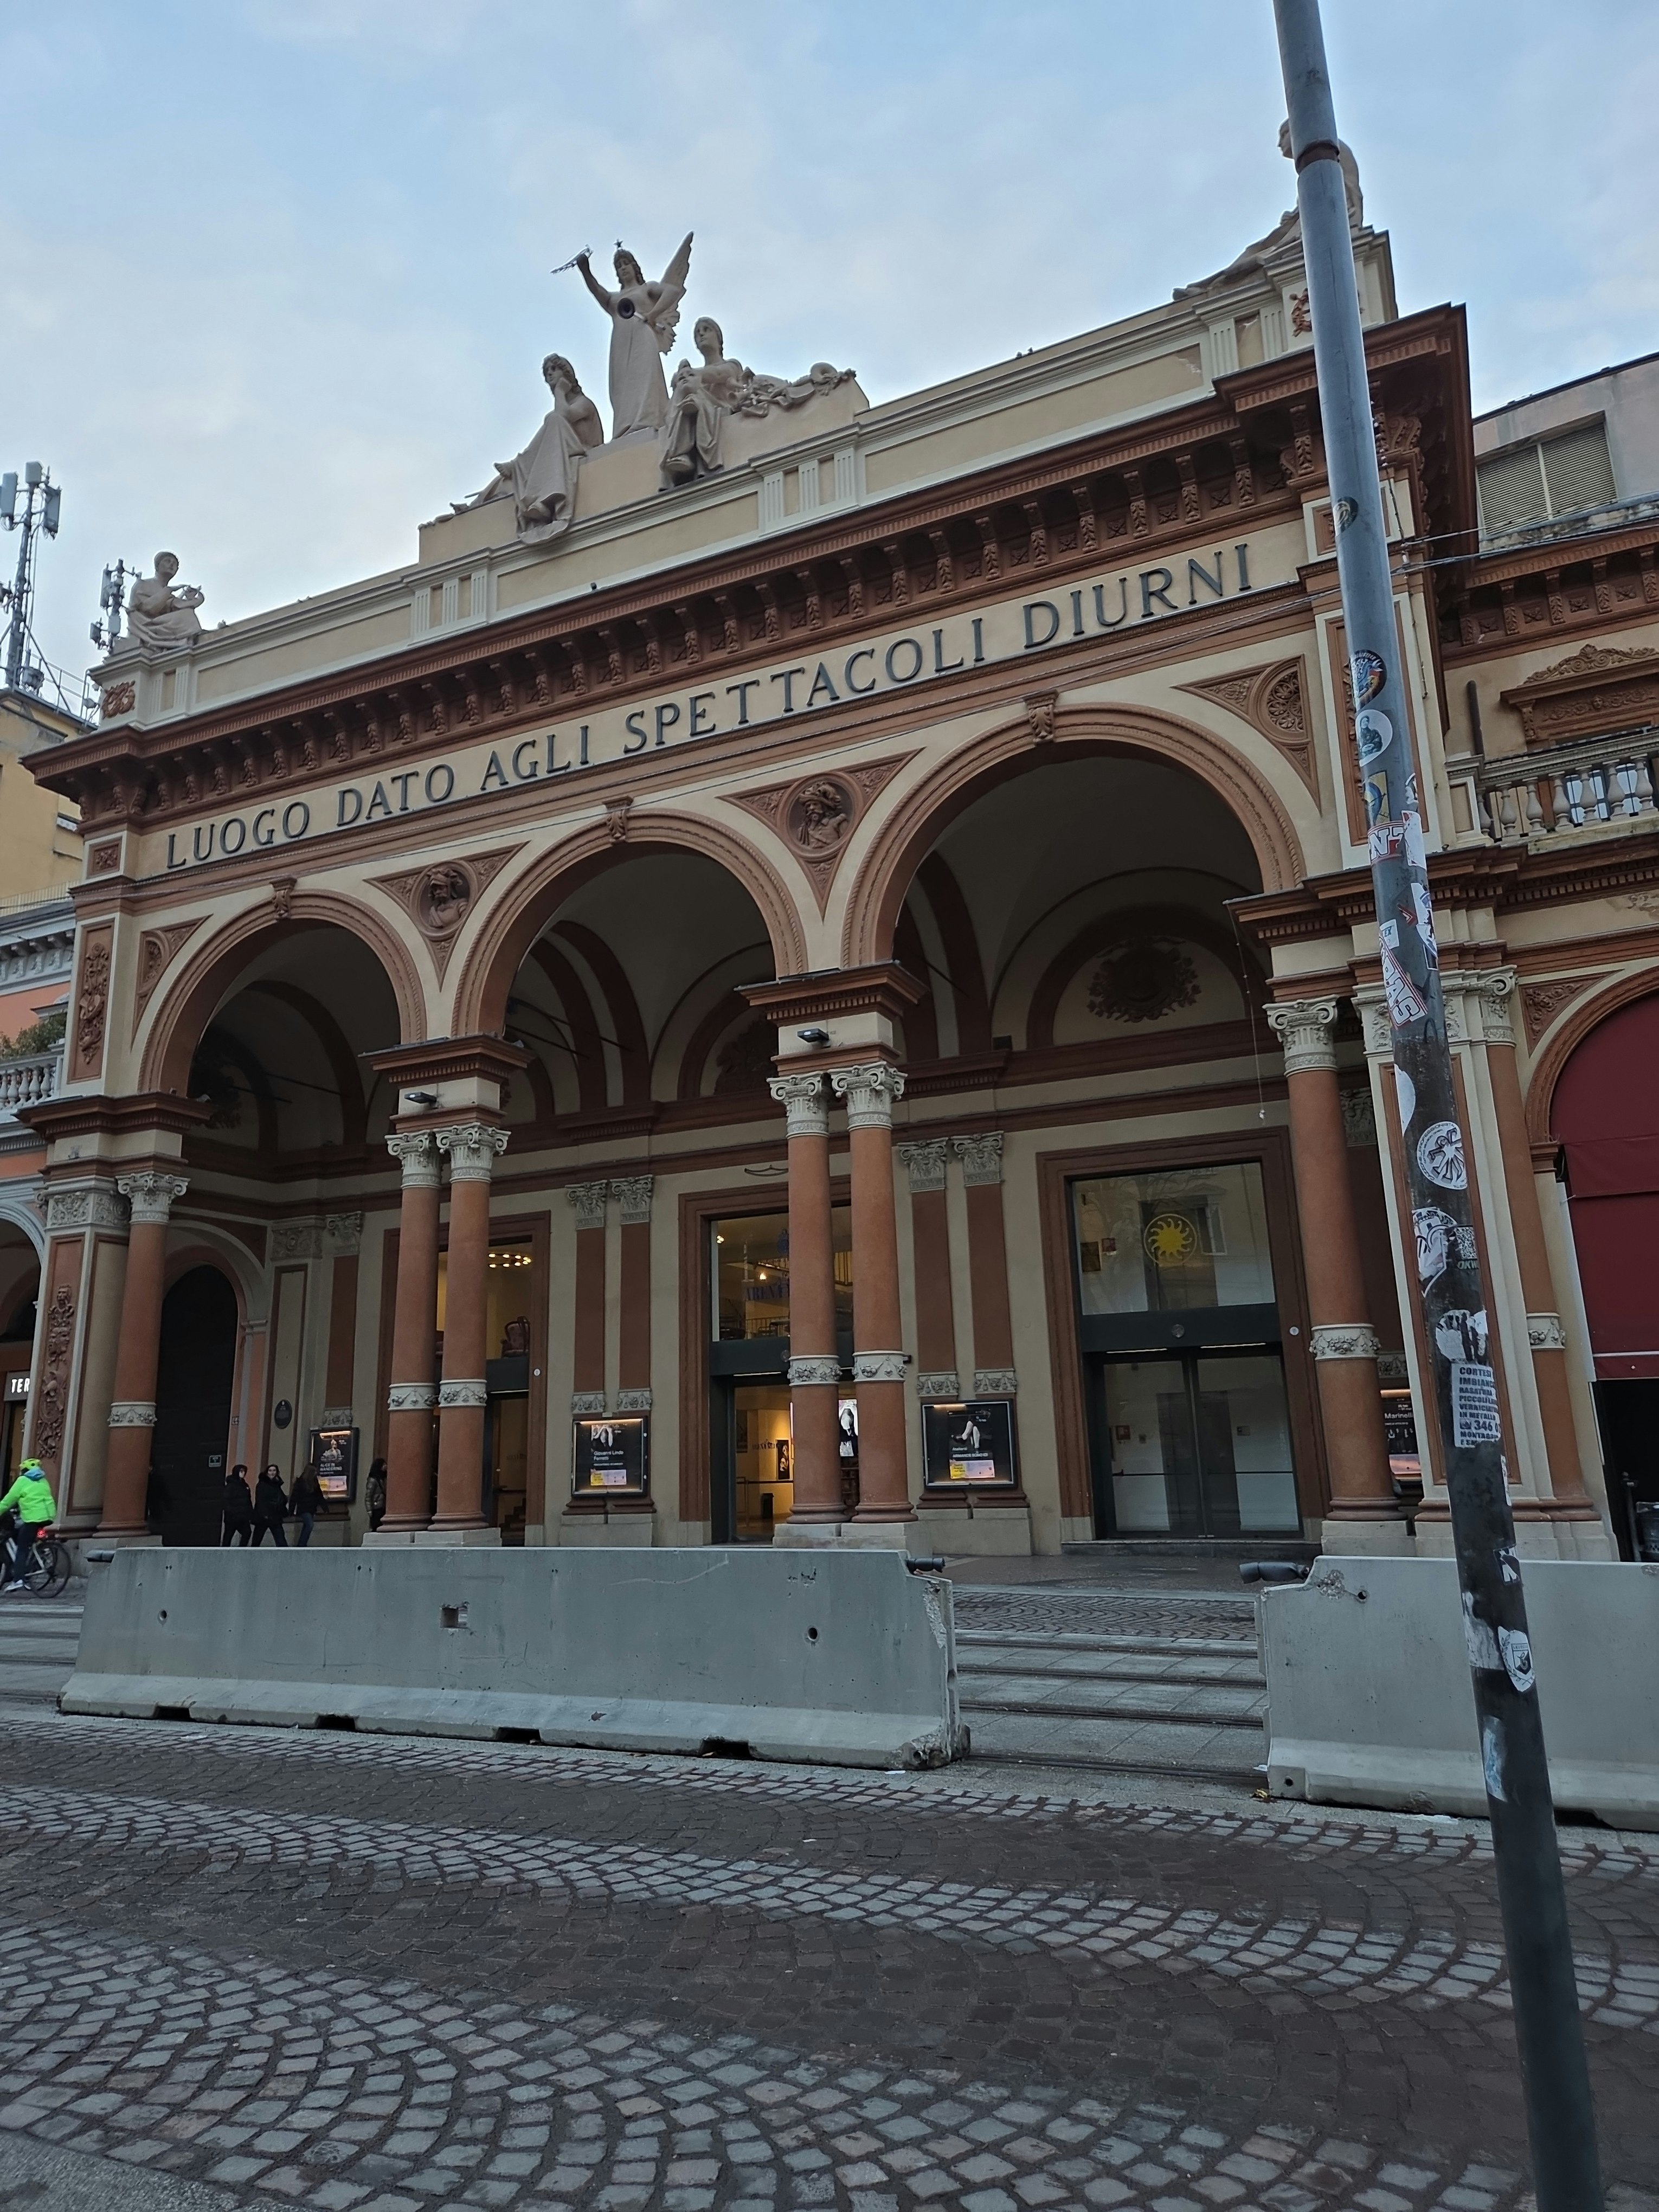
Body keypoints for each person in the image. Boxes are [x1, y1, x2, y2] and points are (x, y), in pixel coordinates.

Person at [0, 1457, 55, 1592]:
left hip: (33, 1519)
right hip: (48, 1518)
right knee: (33, 1538)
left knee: (22, 1547)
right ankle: (41, 1553)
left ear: (25, 1471)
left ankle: (18, 1580)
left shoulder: (23, 1481)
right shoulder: (43, 1481)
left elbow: (7, 1502)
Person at [251, 1463, 288, 1547]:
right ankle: (252, 1553)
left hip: (275, 1515)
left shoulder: (277, 1484)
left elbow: (281, 1498)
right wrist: (264, 1514)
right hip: (264, 1516)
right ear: (267, 1472)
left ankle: (285, 1553)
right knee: (257, 1539)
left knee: (280, 1539)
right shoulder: (262, 1484)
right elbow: (260, 1500)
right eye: (270, 1471)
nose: (272, 1473)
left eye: (274, 1471)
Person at [291, 1463, 324, 1549]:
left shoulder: (314, 1482)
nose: (316, 1473)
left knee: (307, 1526)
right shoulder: (301, 1483)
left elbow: (319, 1495)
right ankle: (302, 1544)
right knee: (310, 1525)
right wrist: (291, 1510)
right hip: (304, 1509)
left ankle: (302, 1543)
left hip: (311, 1508)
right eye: (314, 1472)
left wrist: (324, 1506)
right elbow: (294, 1498)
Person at [222, 1463, 254, 1547]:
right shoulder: (230, 1486)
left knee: (247, 1533)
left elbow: (248, 1500)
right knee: (228, 1536)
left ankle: (241, 1550)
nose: (243, 1473)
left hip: (243, 1517)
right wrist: (231, 1512)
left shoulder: (245, 1485)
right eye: (241, 1471)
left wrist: (250, 1513)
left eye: (244, 1471)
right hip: (232, 1517)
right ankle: (224, 1551)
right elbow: (226, 1501)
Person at [365, 1458, 388, 1532]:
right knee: (376, 1527)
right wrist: (369, 1510)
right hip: (376, 1507)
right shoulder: (373, 1480)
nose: (386, 1466)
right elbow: (368, 1496)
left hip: (382, 1506)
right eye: (384, 1465)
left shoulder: (383, 1478)